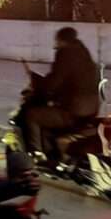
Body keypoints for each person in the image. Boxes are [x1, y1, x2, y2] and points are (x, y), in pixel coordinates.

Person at [16, 26, 101, 162]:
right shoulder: (83, 52)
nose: (56, 44)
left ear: (62, 40)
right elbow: (70, 79)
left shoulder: (65, 54)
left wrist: (34, 79)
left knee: (31, 115)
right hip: (91, 109)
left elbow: (54, 82)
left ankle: (37, 154)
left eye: (57, 41)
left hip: (73, 110)